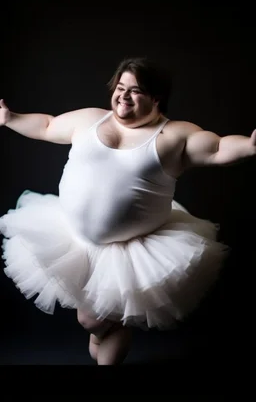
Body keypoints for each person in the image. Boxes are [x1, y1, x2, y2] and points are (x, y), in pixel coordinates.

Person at [0, 57, 255, 365]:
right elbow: (48, 124)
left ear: (156, 98)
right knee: (92, 320)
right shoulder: (91, 120)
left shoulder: (173, 135)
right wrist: (10, 117)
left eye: (135, 91)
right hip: (73, 240)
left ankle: (103, 344)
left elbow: (218, 148)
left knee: (98, 320)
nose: (123, 95)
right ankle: (102, 338)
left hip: (132, 252)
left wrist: (250, 146)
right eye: (120, 87)